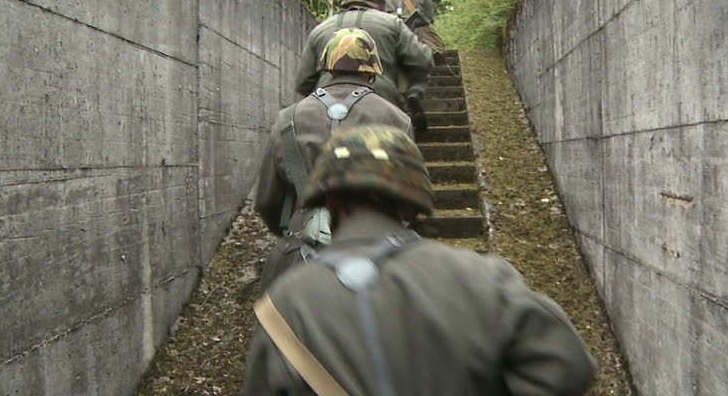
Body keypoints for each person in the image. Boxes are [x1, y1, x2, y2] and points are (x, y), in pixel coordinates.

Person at [243, 125, 598, 395]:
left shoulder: (284, 304)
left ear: (329, 202)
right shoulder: (485, 278)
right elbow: (569, 366)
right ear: (413, 204)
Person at [254, 29, 413, 294]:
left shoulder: (288, 119)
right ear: (372, 70)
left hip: (302, 254)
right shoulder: (397, 119)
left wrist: (293, 230)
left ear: (326, 66)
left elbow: (266, 201)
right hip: (375, 256)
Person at [294, 0, 432, 130]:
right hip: (381, 102)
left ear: (345, 1)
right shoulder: (393, 24)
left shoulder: (320, 29)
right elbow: (423, 60)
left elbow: (303, 82)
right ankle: (412, 96)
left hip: (326, 107)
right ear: (380, 3)